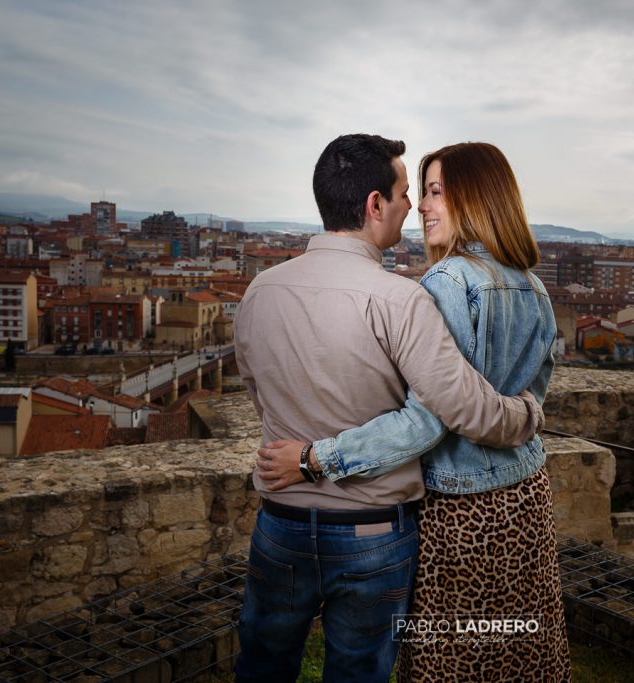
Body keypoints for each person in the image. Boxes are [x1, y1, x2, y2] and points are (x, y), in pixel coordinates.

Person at [232, 134, 544, 683]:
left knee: (262, 664)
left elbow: (257, 390)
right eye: (405, 193)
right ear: (375, 205)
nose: (413, 205)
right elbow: (450, 411)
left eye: (426, 193)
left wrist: (304, 452)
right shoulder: (404, 299)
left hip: (281, 520)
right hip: (373, 529)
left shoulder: (260, 291)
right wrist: (526, 416)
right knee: (362, 672)